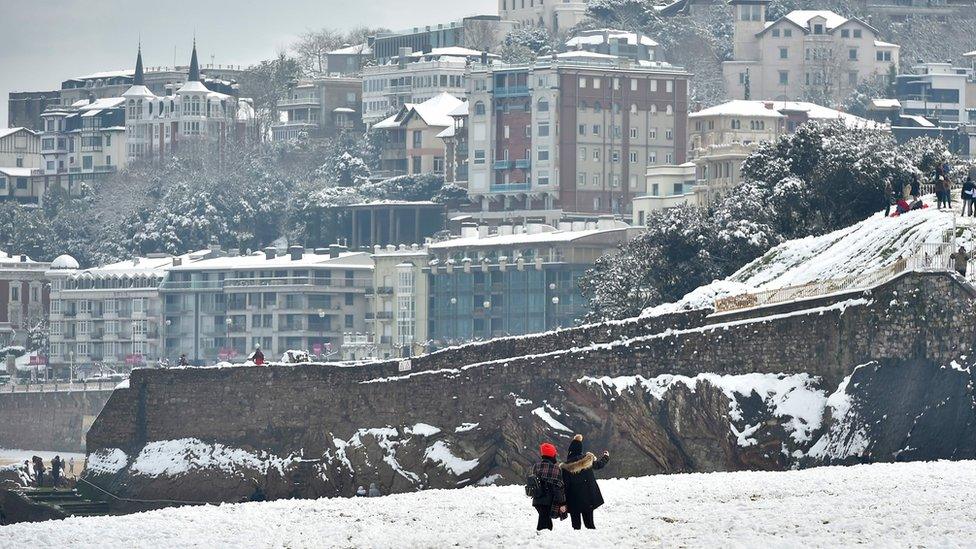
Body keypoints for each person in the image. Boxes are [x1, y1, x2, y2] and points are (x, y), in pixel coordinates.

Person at [560, 434, 610, 530]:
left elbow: (565, 486)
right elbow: (599, 465)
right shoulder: (588, 461)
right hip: (588, 497)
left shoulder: (566, 467)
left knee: (576, 527)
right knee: (590, 525)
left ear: (570, 451)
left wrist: (562, 502)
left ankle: (577, 542)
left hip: (573, 499)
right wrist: (606, 457)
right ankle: (593, 542)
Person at [532, 442, 566, 531]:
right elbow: (558, 488)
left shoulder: (536, 466)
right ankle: (541, 541)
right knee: (545, 525)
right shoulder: (556, 469)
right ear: (552, 454)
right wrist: (562, 503)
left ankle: (542, 539)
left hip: (537, 499)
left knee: (544, 520)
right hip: (549, 501)